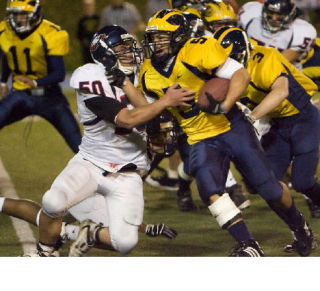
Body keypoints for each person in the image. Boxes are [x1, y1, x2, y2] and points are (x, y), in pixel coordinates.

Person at [138, 8, 315, 256]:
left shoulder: (199, 48)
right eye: (153, 37)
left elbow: (240, 74)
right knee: (209, 189)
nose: (155, 42)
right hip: (199, 136)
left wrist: (226, 103)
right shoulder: (147, 72)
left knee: (269, 189)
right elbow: (153, 109)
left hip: (231, 126)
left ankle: (300, 228)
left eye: (162, 37)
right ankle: (249, 245)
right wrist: (162, 124)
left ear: (179, 36)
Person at [32, 25, 194, 257]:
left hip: (129, 173)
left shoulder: (144, 76)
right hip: (92, 162)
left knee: (125, 243)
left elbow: (156, 120)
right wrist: (165, 102)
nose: (130, 53)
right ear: (104, 53)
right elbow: (126, 120)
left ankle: (81, 232)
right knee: (52, 201)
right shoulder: (90, 76)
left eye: (130, 47)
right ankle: (44, 252)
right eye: (121, 48)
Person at [213, 25, 319, 253]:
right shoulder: (226, 73)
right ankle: (301, 231)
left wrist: (251, 117)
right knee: (265, 185)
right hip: (278, 125)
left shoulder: (265, 56)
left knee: (302, 182)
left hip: (303, 119)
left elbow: (281, 92)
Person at [0, 0, 81, 153]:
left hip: (50, 97)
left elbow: (59, 74)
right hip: (21, 94)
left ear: (35, 14)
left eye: (23, 15)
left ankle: (102, 174)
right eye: (15, 15)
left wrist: (35, 82)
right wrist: (4, 81)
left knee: (78, 143)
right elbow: (7, 55)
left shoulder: (51, 33)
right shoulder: (4, 31)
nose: (18, 19)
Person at [0, 195, 178, 256]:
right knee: (119, 240)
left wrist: (145, 227)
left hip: (83, 183)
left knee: (46, 219)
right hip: (89, 191)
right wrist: (145, 227)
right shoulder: (135, 154)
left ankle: (64, 232)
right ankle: (65, 233)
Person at [238, 0, 316, 71]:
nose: (274, 18)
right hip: (248, 70)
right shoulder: (251, 15)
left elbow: (277, 63)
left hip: (285, 76)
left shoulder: (300, 32)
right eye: (271, 12)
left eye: (279, 14)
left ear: (290, 15)